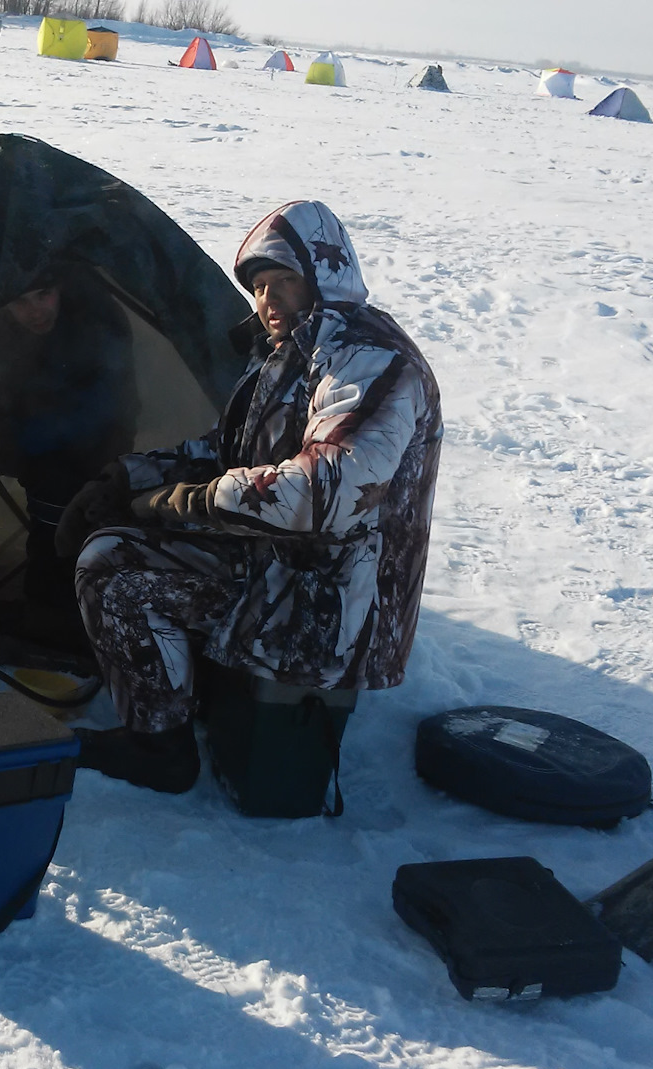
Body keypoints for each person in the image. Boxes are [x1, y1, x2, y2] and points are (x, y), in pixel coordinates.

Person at [58, 201, 443, 793]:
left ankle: (159, 747)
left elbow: (325, 492)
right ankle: (178, 701)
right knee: (120, 535)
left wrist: (184, 504)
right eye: (260, 288)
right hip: (286, 565)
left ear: (323, 275)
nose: (268, 302)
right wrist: (126, 480)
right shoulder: (294, 357)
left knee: (112, 567)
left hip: (331, 602)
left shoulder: (368, 361)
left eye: (285, 281)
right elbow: (228, 454)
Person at [0, 263, 136, 631]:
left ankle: (48, 608)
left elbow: (100, 410)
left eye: (44, 296)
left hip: (89, 440)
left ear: (60, 287)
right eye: (20, 302)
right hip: (9, 432)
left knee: (59, 477)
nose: (36, 310)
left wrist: (1, 438)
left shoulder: (96, 317)